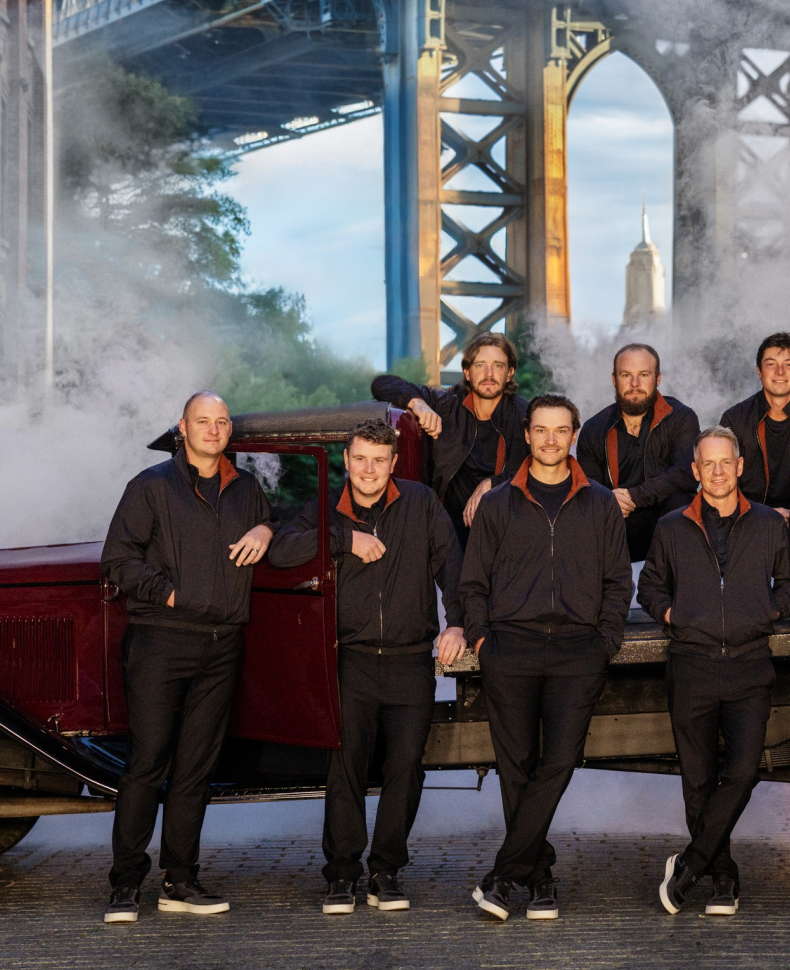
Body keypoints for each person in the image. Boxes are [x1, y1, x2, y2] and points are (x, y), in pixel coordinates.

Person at [267, 418, 466, 915]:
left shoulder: (421, 503)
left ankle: (385, 871)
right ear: (346, 460)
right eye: (360, 459)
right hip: (349, 660)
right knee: (346, 769)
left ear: (394, 463)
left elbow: (453, 567)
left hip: (409, 661)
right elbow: (282, 551)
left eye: (379, 460)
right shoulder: (324, 509)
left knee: (406, 769)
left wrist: (458, 624)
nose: (369, 469)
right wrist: (343, 539)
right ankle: (341, 875)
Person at [99, 392, 276, 923]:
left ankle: (180, 880)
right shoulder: (151, 486)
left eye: (221, 422)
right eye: (203, 421)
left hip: (222, 645)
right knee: (147, 762)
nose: (213, 429)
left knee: (196, 768)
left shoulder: (247, 489)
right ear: (183, 427)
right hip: (161, 640)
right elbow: (117, 559)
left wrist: (266, 528)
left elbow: (278, 525)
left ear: (229, 431)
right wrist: (171, 594)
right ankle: (125, 883)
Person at [460, 394, 632, 921]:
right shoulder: (498, 503)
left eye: (561, 431)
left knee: (558, 761)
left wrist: (604, 642)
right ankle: (539, 880)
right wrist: (483, 642)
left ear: (573, 435)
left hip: (579, 651)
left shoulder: (600, 503)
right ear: (527, 436)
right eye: (541, 430)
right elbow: (473, 583)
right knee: (515, 767)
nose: (551, 440)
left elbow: (618, 582)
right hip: (510, 648)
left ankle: (503, 875)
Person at [637, 426, 790, 917]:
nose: (718, 471)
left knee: (744, 772)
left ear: (740, 466)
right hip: (692, 665)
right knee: (699, 780)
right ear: (696, 471)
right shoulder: (671, 527)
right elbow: (650, 588)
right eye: (708, 464)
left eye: (726, 462)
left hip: (749, 665)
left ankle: (690, 865)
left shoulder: (768, 523)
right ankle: (723, 874)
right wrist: (674, 616)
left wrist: (768, 611)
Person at [372, 331, 530, 542]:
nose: (489, 373)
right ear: (467, 372)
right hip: (449, 529)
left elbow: (541, 468)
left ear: (509, 373)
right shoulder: (447, 404)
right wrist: (417, 403)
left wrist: (492, 483)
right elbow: (382, 383)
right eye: (480, 365)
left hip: (504, 526)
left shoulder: (525, 416)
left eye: (498, 366)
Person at [576, 344, 700, 563]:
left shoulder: (681, 418)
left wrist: (635, 496)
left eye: (643, 375)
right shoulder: (594, 429)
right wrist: (609, 500)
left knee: (681, 504)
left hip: (667, 524)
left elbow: (686, 474)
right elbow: (588, 488)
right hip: (617, 525)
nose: (635, 384)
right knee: (586, 514)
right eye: (626, 375)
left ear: (657, 378)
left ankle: (681, 582)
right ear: (614, 380)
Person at [718, 332, 790, 517]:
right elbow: (723, 482)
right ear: (759, 371)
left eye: (788, 365)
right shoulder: (735, 419)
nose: (780, 372)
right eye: (771, 364)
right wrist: (764, 517)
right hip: (749, 520)